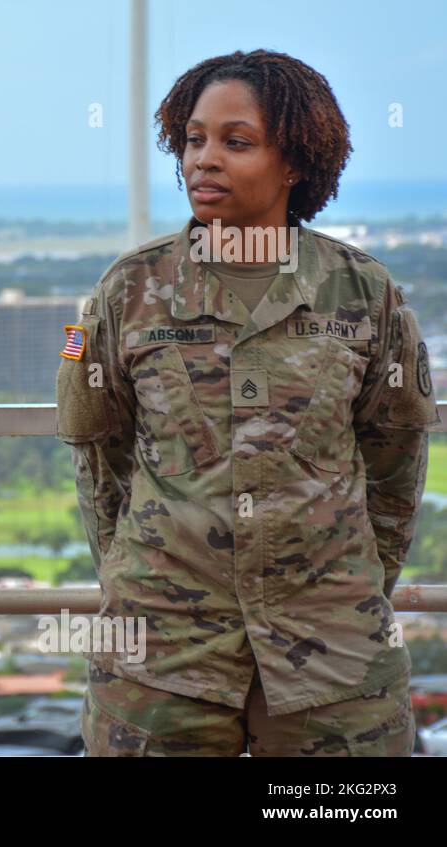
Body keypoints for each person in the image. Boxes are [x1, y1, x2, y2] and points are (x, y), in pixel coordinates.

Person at [55, 49, 439, 756]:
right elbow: (100, 458)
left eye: (237, 142)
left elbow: (396, 461)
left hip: (333, 662)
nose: (205, 160)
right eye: (194, 139)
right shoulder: (128, 291)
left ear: (295, 161)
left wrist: (349, 584)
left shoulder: (363, 293)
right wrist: (138, 576)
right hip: (161, 660)